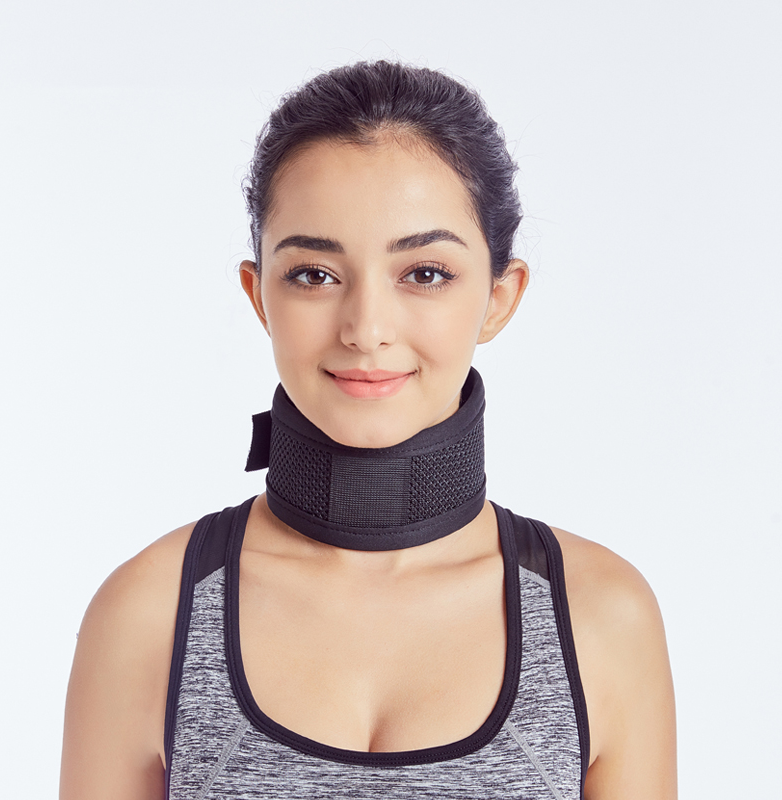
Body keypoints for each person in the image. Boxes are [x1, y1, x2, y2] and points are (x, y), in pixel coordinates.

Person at [60, 61, 676, 799]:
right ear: (259, 296)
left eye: (425, 273)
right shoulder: (149, 613)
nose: (366, 328)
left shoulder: (601, 616)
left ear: (499, 297)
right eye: (315, 274)